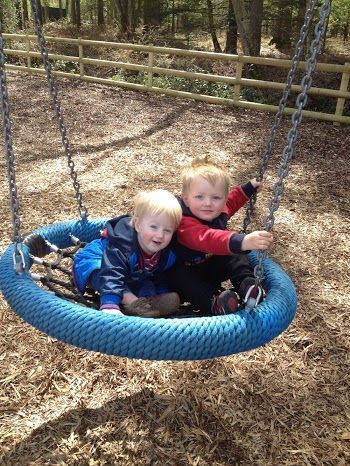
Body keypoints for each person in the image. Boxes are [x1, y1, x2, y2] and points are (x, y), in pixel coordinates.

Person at [166, 156, 274, 315]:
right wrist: (243, 241)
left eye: (216, 197)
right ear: (186, 199)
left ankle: (247, 285)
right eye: (199, 197)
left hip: (206, 268)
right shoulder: (184, 223)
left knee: (233, 254)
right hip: (182, 277)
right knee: (179, 275)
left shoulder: (220, 209)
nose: (208, 203)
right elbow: (207, 237)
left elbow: (232, 201)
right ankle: (213, 302)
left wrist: (248, 188)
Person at [72, 189, 182, 317]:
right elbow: (112, 271)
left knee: (147, 285)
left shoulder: (165, 253)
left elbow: (157, 274)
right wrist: (109, 305)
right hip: (97, 261)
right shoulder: (123, 245)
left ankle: (144, 305)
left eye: (167, 230)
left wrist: (163, 292)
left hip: (130, 275)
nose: (160, 235)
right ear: (138, 225)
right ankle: (132, 302)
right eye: (153, 227)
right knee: (99, 270)